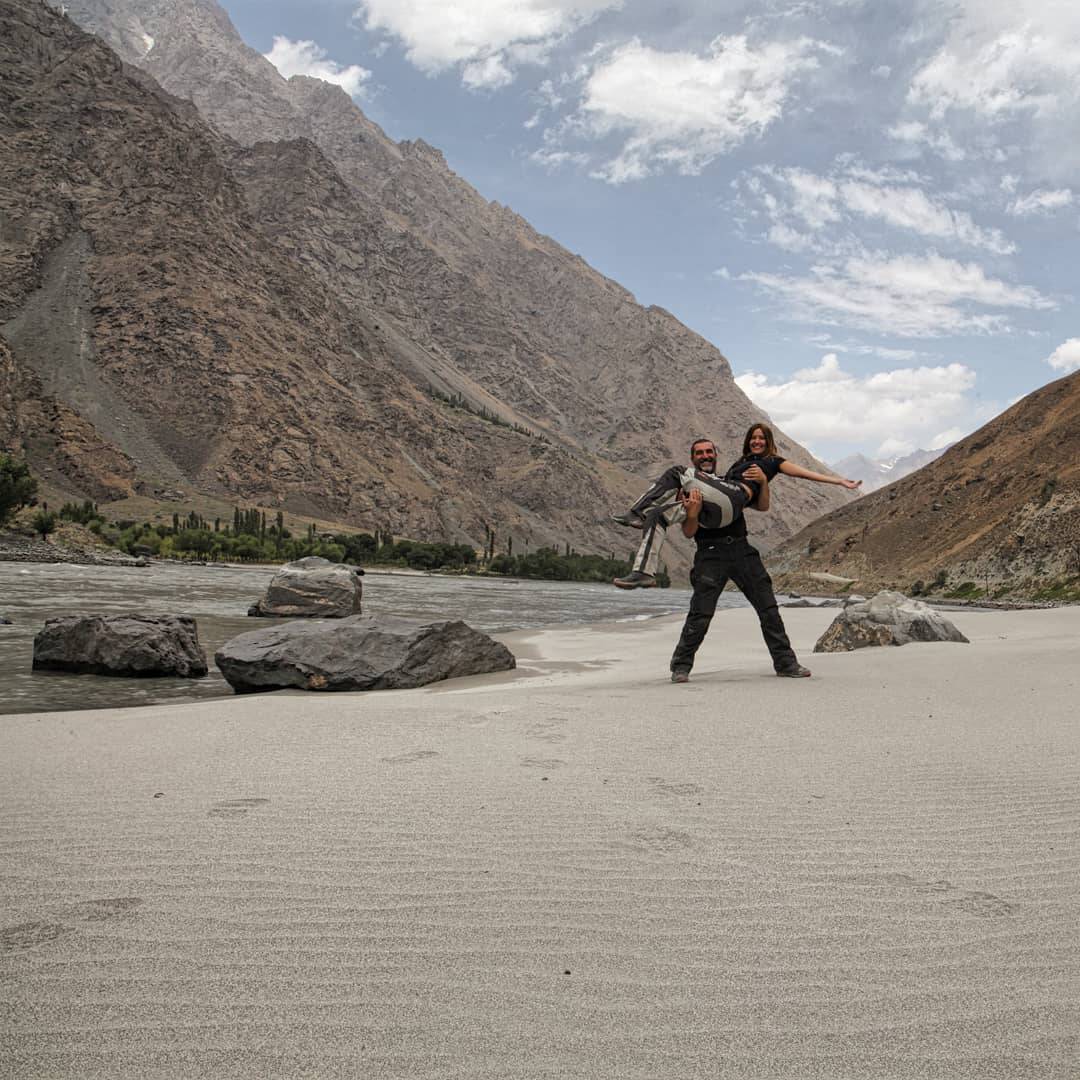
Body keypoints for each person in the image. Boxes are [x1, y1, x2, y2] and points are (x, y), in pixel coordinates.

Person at [613, 423, 861, 589]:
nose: (756, 442)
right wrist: (690, 506)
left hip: (732, 500)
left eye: (762, 438)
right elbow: (692, 528)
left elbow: (802, 473)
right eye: (753, 438)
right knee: (657, 515)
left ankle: (635, 512)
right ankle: (644, 572)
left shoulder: (772, 461)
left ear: (769, 442)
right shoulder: (738, 465)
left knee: (677, 472)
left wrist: (838, 481)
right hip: (713, 511)